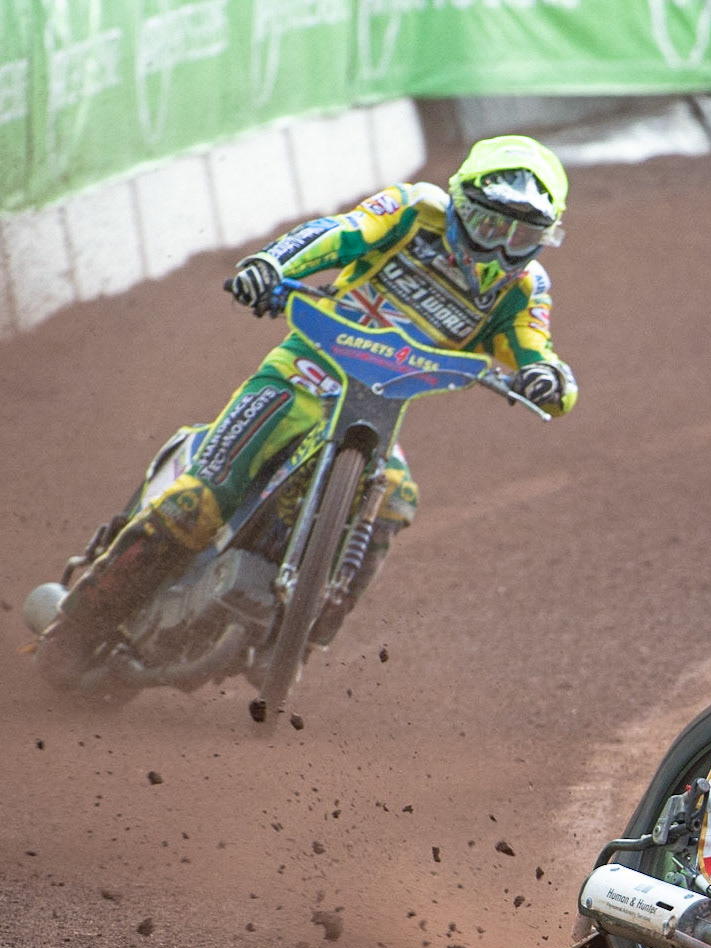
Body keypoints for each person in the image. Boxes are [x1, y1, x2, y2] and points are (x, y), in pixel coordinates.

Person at [34, 135, 579, 684]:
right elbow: (339, 235)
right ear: (460, 203)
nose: (499, 249)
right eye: (489, 226)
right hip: (301, 377)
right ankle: (77, 630)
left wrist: (547, 381)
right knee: (197, 502)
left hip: (379, 407)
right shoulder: (413, 211)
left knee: (395, 498)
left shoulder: (525, 287)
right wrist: (271, 265)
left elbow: (539, 352)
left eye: (523, 236)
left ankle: (300, 638)